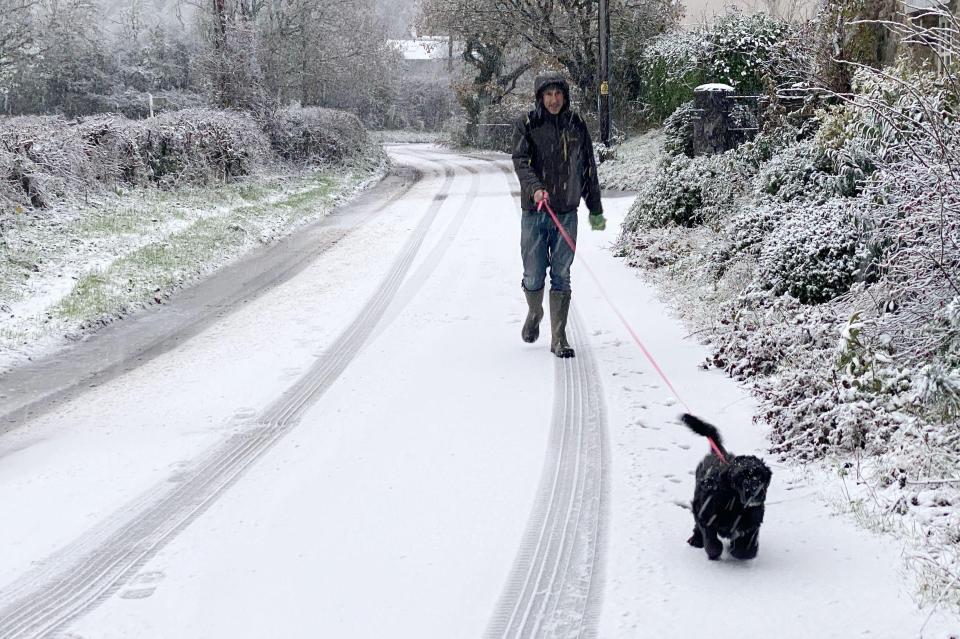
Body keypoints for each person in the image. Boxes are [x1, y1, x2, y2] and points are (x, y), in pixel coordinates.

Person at [511, 71, 606, 359]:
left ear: (565, 96)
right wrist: (536, 189)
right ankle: (535, 310)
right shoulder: (527, 124)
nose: (554, 100)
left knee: (562, 274)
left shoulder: (576, 124)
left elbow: (588, 167)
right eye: (548, 94)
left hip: (566, 211)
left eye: (558, 94)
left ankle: (558, 337)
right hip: (535, 212)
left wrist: (596, 209)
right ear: (540, 97)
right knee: (534, 273)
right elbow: (521, 162)